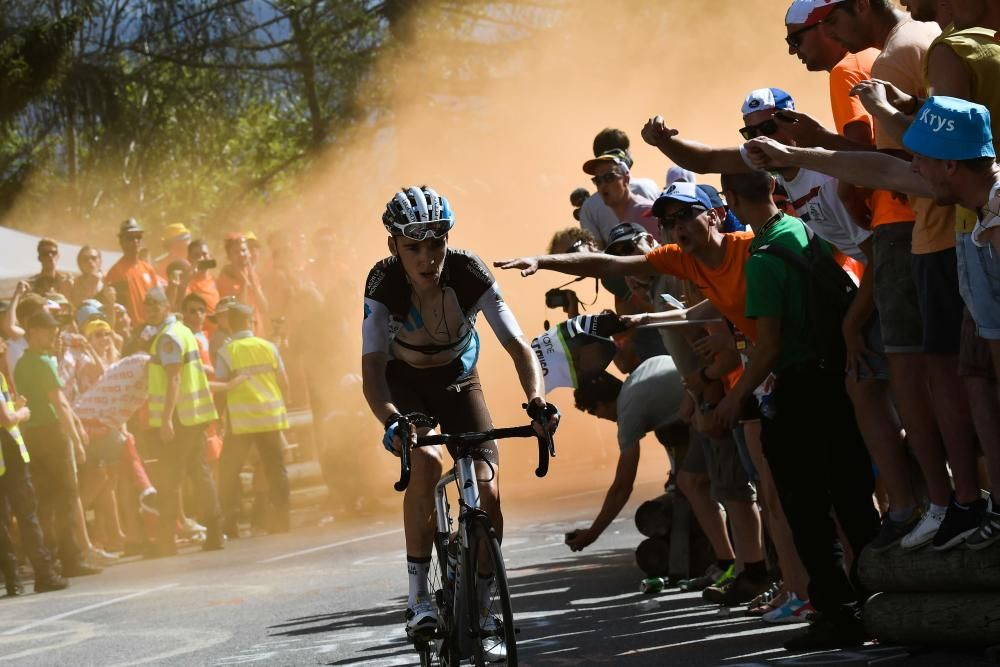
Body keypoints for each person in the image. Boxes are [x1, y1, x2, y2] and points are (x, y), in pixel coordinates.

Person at [746, 95, 1000, 548]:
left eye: (919, 158)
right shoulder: (970, 191)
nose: (912, 168)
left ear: (949, 165)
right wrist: (794, 154)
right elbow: (880, 170)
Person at [361, 186, 558, 650]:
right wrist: (391, 419)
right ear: (394, 247)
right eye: (414, 247)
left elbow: (518, 346)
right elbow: (372, 369)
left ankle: (486, 607)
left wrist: (536, 400)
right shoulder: (382, 282)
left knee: (488, 492)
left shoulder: (469, 272)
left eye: (437, 244)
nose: (428, 258)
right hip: (404, 381)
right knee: (426, 462)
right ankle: (417, 599)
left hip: (457, 378)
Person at [709, 170, 879, 651]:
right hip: (838, 381)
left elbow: (767, 346)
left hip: (797, 391)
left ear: (732, 197)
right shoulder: (806, 230)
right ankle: (878, 603)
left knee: (806, 510)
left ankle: (837, 616)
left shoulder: (763, 257)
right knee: (854, 500)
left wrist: (733, 400)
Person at [14, 309, 101, 578]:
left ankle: (49, 558)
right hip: (52, 434)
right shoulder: (43, 361)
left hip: (32, 434)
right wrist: (76, 437)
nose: (54, 333)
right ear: (34, 332)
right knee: (66, 497)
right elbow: (59, 402)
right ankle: (71, 558)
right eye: (49, 329)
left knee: (45, 501)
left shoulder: (22, 364)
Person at [142, 286, 223, 555]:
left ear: (166, 306)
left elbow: (173, 378)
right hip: (193, 416)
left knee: (169, 480)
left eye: (156, 305)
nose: (151, 310)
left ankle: (166, 542)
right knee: (199, 475)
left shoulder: (168, 337)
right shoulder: (183, 331)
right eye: (148, 306)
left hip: (179, 420)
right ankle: (214, 531)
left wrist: (166, 420)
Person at [215, 303, 290, 536]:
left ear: (230, 323)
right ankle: (282, 521)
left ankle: (231, 523)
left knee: (229, 471)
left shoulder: (226, 352)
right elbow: (284, 382)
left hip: (242, 423)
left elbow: (221, 388)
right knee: (276, 470)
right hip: (270, 419)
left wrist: (219, 418)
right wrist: (282, 407)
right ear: (250, 322)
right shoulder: (268, 347)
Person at [0, 365, 69, 594]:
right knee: (27, 516)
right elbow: (6, 418)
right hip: (9, 456)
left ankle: (13, 580)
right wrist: (22, 413)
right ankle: (44, 573)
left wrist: (13, 407)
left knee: (2, 522)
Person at [578, 128, 660, 245]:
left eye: (609, 177)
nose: (603, 185)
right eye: (597, 180)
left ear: (626, 178)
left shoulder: (646, 211)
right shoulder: (649, 186)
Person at [105, 219, 162, 326]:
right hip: (132, 331)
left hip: (152, 327)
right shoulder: (115, 272)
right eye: (130, 238)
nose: (135, 241)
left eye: (138, 237)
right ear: (121, 242)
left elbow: (159, 299)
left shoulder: (148, 269)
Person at [217, 234, 268, 335]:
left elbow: (264, 307)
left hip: (257, 331)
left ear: (249, 253)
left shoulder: (252, 273)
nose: (241, 254)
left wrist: (253, 283)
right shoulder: (225, 278)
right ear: (229, 257)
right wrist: (244, 283)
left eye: (244, 250)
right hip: (239, 335)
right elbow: (240, 310)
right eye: (236, 252)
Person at [185, 239, 220, 316]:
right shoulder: (187, 282)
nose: (201, 258)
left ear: (210, 256)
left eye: (204, 254)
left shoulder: (215, 280)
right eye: (197, 255)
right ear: (189, 258)